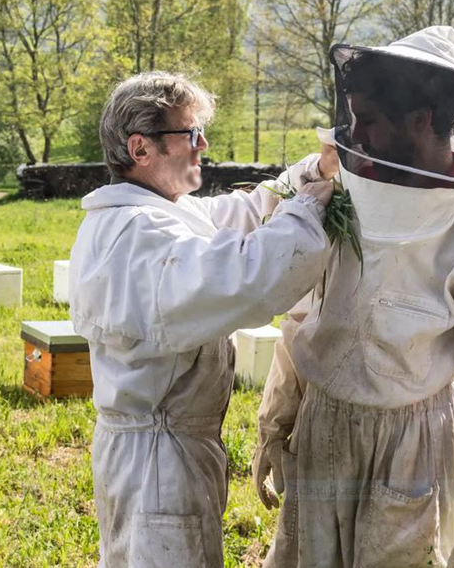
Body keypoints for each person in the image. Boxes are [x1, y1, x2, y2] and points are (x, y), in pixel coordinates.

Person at [253, 26, 454, 568]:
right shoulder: (343, 196)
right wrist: (276, 420)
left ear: (421, 120)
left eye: (368, 120)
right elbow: (306, 314)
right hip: (322, 427)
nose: (352, 136)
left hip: (415, 447)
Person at [68, 71, 336, 567]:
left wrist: (314, 171)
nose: (203, 144)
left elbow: (245, 212)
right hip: (157, 462)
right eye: (190, 133)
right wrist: (305, 212)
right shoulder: (138, 235)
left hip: (168, 448)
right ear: (141, 148)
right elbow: (247, 276)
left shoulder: (164, 212)